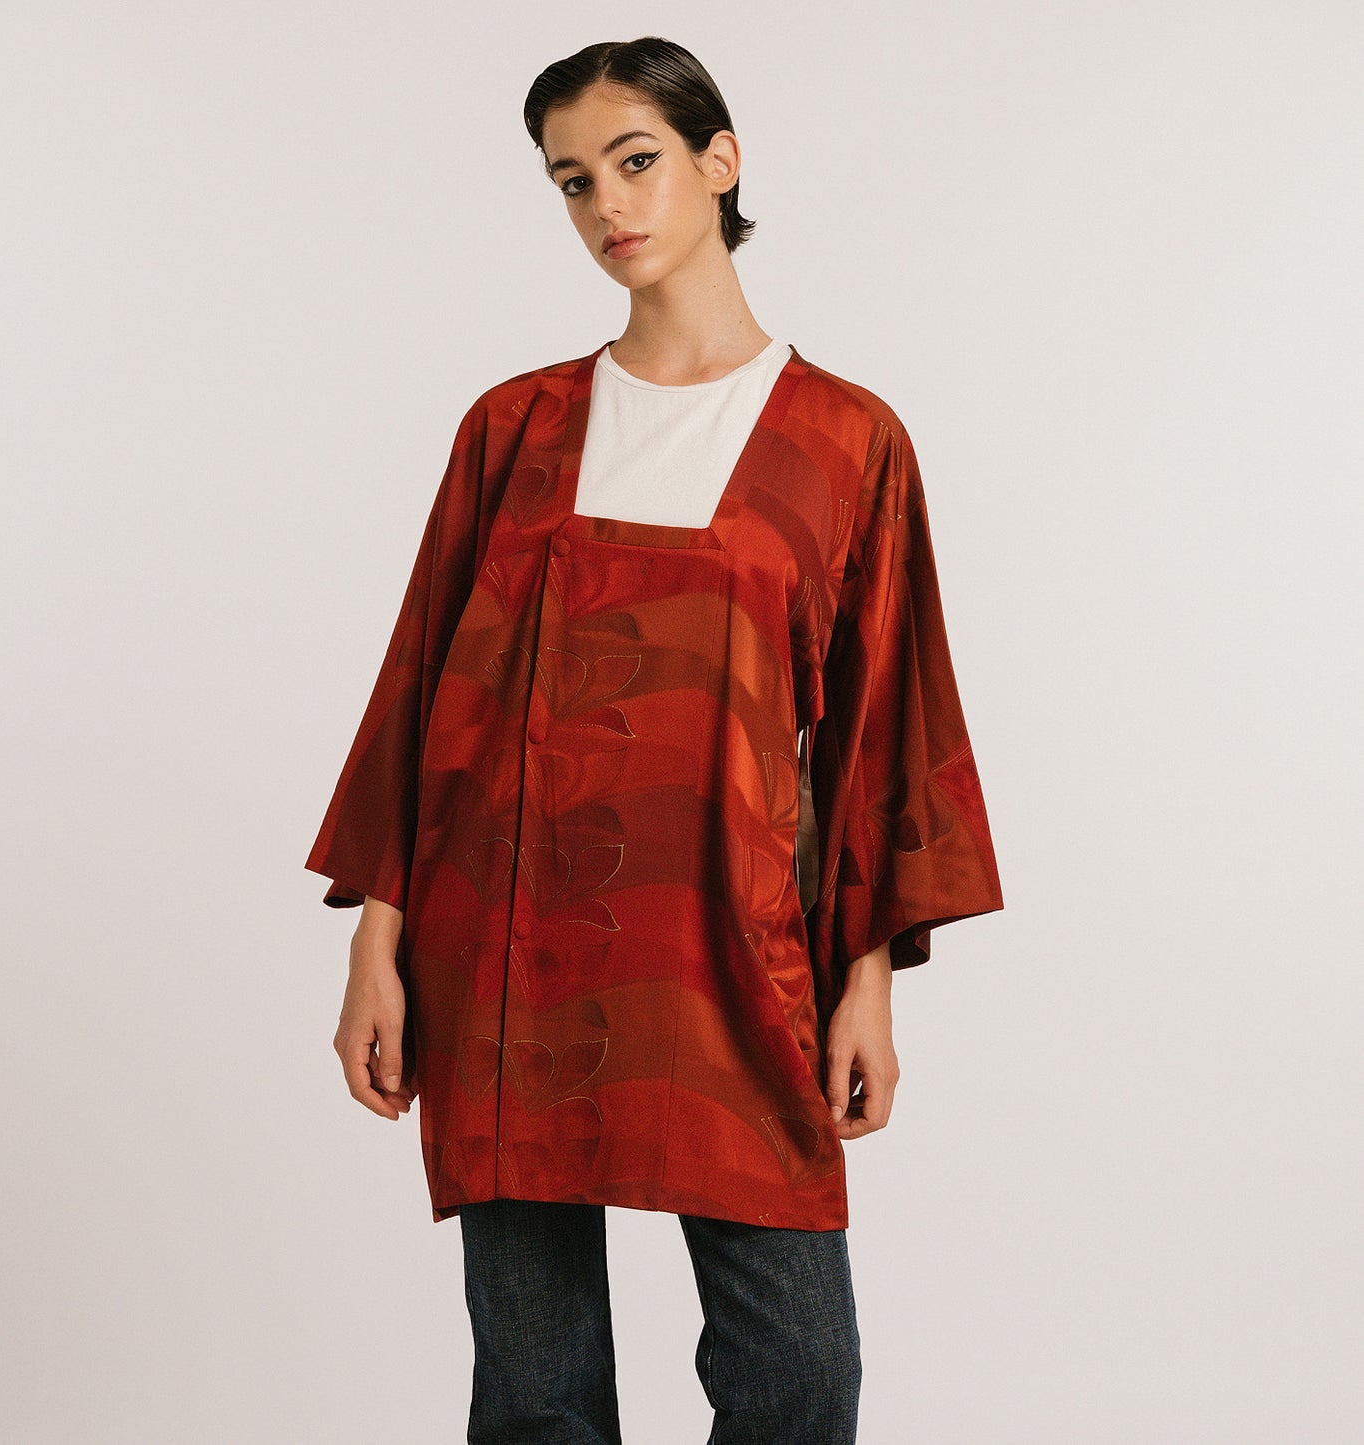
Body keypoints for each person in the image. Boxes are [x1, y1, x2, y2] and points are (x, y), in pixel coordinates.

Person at [304, 35, 1004, 1445]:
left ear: (717, 161)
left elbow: (880, 728)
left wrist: (864, 980)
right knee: (535, 1394)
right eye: (572, 181)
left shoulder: (845, 441)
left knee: (796, 1378)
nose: (607, 205)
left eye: (635, 161)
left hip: (731, 949)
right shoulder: (514, 428)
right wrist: (377, 935)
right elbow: (426, 692)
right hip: (503, 950)